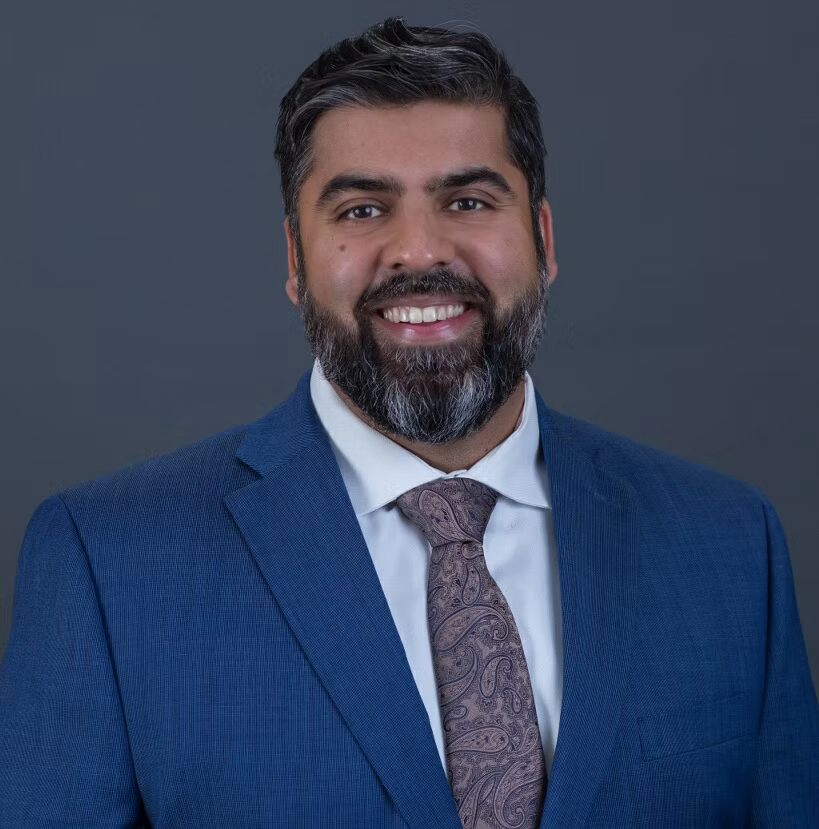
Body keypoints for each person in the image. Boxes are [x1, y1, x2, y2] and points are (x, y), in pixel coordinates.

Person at [1, 16, 816, 829]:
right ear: (294, 260)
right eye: (360, 210)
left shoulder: (730, 547)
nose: (418, 251)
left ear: (542, 236)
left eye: (467, 200)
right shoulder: (108, 563)